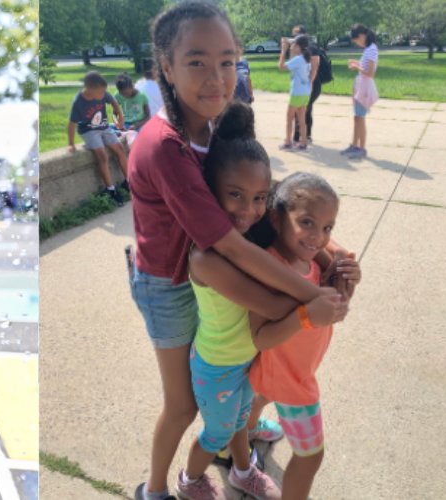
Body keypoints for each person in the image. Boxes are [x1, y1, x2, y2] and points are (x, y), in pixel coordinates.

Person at [127, 5, 360, 499]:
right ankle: (155, 488)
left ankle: (239, 457)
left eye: (227, 61)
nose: (216, 77)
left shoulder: (217, 124)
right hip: (170, 282)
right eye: (196, 61)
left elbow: (267, 195)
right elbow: (228, 242)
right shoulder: (164, 144)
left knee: (240, 372)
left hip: (214, 266)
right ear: (166, 67)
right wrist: (315, 296)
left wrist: (332, 253)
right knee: (184, 404)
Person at [174, 104, 346, 500]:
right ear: (210, 191)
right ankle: (189, 480)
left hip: (245, 362)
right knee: (218, 432)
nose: (248, 209)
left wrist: (336, 261)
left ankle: (243, 470)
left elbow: (299, 216)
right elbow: (273, 307)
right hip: (218, 365)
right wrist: (317, 305)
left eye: (258, 198)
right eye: (235, 195)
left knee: (239, 422)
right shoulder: (207, 258)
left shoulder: (252, 234)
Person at [245, 173, 352, 500]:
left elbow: (330, 301)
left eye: (327, 227)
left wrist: (346, 280)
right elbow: (261, 338)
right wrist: (305, 316)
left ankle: (248, 428)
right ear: (277, 219)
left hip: (287, 369)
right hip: (292, 381)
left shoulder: (310, 258)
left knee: (262, 394)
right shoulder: (270, 269)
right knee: (310, 457)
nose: (319, 237)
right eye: (307, 222)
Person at [67, 71, 128, 204]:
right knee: (102, 155)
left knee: (119, 148)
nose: (103, 95)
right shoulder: (79, 102)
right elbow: (71, 124)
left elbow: (114, 103)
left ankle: (129, 182)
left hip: (104, 127)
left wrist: (121, 118)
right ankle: (111, 190)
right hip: (88, 131)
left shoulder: (103, 93)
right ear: (90, 88)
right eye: (100, 92)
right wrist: (71, 143)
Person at [290, 25, 331, 145]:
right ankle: (302, 137)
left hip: (312, 83)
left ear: (305, 35)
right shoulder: (298, 48)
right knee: (304, 109)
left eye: (298, 35)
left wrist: (309, 85)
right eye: (294, 35)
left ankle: (302, 137)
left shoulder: (311, 47)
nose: (296, 37)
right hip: (302, 84)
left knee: (303, 110)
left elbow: (314, 68)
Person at [344, 24, 379, 160]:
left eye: (357, 40)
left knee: (360, 117)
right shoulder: (369, 49)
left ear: (361, 36)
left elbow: (370, 73)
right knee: (357, 117)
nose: (357, 43)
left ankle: (362, 148)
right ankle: (354, 145)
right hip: (361, 86)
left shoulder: (371, 49)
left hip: (365, 88)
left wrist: (356, 67)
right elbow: (366, 68)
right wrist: (357, 63)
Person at [278, 36, 315, 151]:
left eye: (294, 44)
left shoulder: (298, 59)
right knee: (302, 119)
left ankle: (288, 142)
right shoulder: (306, 59)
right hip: (305, 93)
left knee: (289, 118)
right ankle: (303, 142)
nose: (292, 46)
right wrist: (289, 46)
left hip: (297, 93)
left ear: (298, 47)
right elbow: (292, 62)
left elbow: (281, 67)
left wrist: (283, 51)